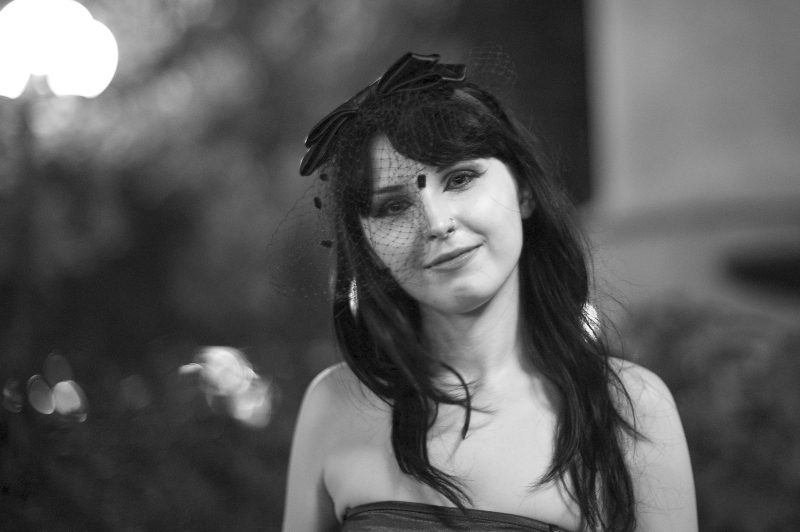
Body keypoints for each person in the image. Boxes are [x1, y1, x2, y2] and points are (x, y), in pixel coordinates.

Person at [281, 52, 697, 531]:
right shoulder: (334, 404)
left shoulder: (631, 410)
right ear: (367, 246)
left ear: (524, 190)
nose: (437, 223)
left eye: (460, 179)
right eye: (393, 207)